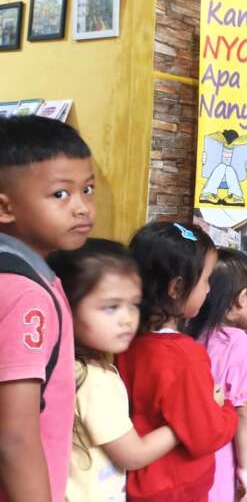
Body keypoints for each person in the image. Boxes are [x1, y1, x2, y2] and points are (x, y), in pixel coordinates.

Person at [0, 115, 95, 502]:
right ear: (5, 208)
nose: (82, 208)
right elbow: (15, 438)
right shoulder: (27, 296)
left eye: (87, 190)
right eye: (61, 194)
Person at [47, 239, 179, 502]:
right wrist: (181, 426)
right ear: (66, 307)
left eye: (134, 304)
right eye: (111, 307)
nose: (127, 318)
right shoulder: (94, 381)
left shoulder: (67, 366)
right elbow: (134, 455)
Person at [116, 222, 238, 502]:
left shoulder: (125, 342)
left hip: (138, 483)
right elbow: (205, 436)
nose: (208, 290)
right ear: (177, 287)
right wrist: (224, 408)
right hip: (177, 487)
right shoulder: (185, 356)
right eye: (206, 280)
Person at [187, 248, 247, 502]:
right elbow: (244, 413)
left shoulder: (187, 335)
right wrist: (244, 466)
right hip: (218, 456)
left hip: (183, 452)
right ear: (241, 299)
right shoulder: (245, 347)